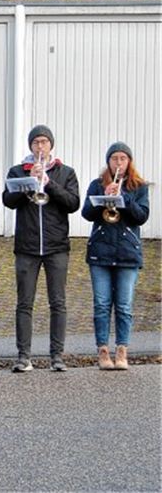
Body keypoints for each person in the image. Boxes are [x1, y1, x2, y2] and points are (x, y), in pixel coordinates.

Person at [3, 125, 81, 373]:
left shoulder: (65, 172)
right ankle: (23, 356)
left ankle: (57, 356)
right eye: (36, 142)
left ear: (51, 145)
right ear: (30, 145)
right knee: (24, 303)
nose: (40, 146)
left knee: (58, 303)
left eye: (44, 142)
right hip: (26, 247)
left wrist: (48, 183)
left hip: (56, 246)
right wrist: (28, 184)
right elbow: (7, 200)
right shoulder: (18, 171)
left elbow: (73, 203)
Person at [81, 142, 150, 370]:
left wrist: (124, 198)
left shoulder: (139, 186)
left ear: (129, 161)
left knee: (124, 306)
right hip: (100, 252)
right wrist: (104, 195)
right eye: (114, 158)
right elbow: (86, 213)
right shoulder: (97, 184)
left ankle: (122, 351)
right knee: (101, 304)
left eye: (123, 158)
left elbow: (142, 216)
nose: (118, 162)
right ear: (108, 161)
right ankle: (102, 350)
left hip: (128, 253)